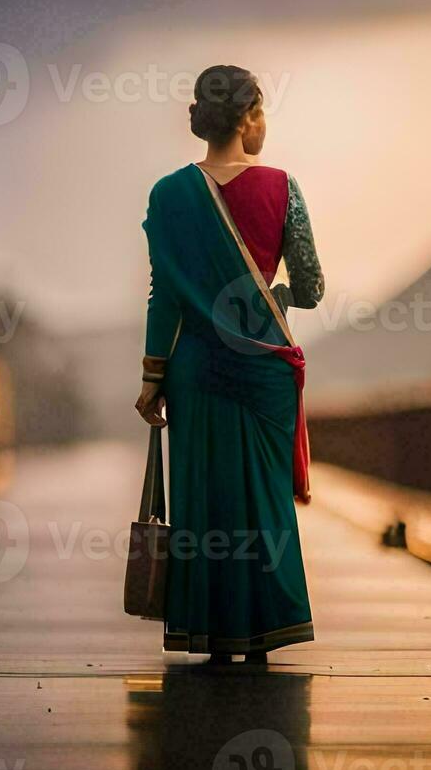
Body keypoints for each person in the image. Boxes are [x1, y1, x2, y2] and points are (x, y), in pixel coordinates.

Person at [134, 65, 324, 664]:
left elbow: (164, 293)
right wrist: (267, 303)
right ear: (246, 117)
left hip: (196, 371)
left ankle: (209, 633)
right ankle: (264, 633)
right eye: (262, 112)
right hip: (262, 366)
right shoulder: (283, 187)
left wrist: (151, 377)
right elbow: (312, 287)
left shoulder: (170, 194)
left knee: (204, 500)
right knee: (263, 505)